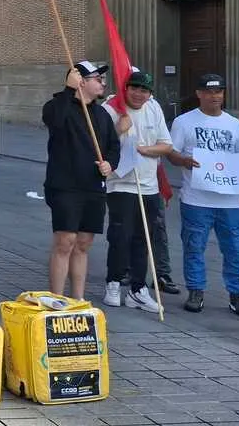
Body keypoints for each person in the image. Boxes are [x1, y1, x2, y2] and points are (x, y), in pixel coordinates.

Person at [166, 74, 239, 314]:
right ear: (199, 94)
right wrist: (183, 160)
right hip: (196, 198)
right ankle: (196, 291)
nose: (215, 96)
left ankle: (237, 293)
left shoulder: (235, 124)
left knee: (236, 247)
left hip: (231, 199)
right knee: (194, 245)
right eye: (209, 92)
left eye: (219, 92)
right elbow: (171, 154)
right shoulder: (184, 122)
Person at [42, 61, 120, 300]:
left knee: (83, 242)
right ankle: (57, 298)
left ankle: (78, 298)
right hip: (65, 185)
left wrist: (110, 164)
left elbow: (113, 147)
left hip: (93, 186)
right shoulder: (57, 105)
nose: (103, 83)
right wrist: (68, 91)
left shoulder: (102, 114)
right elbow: (54, 122)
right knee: (65, 241)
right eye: (98, 78)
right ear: (81, 82)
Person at [99, 70, 169, 314]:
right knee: (121, 234)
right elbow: (98, 144)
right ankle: (114, 283)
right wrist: (118, 129)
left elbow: (165, 145)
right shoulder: (110, 108)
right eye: (134, 88)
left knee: (145, 237)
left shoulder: (154, 108)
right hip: (120, 182)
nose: (139, 94)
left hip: (148, 184)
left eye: (144, 90)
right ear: (125, 88)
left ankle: (138, 290)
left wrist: (145, 150)